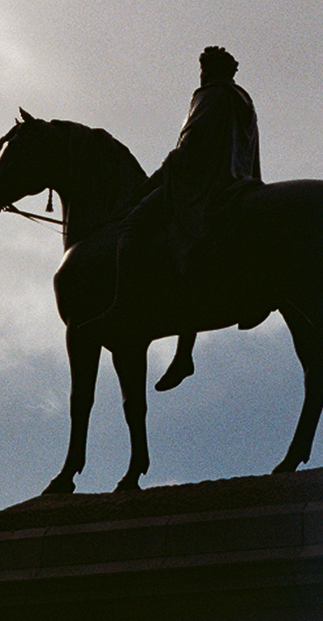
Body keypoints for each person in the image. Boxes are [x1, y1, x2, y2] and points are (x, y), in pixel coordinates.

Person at [93, 45, 261, 390]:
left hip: (200, 185)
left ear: (209, 70)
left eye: (203, 68)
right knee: (186, 260)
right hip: (237, 181)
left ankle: (121, 306)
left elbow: (190, 144)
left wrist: (156, 179)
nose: (200, 75)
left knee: (133, 225)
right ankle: (184, 352)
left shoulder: (210, 95)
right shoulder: (242, 100)